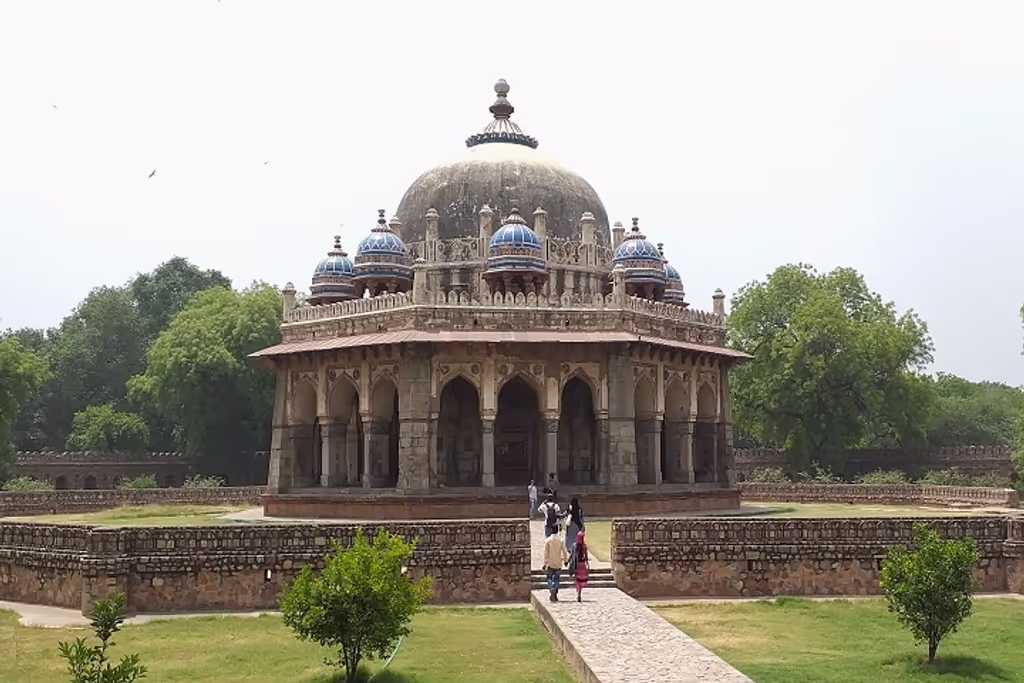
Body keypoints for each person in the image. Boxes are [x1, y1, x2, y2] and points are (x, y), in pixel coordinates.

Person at [543, 527, 569, 602]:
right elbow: (564, 551)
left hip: (550, 562)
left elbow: (546, 553)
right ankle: (554, 591)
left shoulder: (548, 540)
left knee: (549, 578)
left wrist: (545, 563)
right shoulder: (560, 540)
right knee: (557, 578)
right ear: (557, 531)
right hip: (558, 562)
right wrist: (565, 560)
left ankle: (552, 588)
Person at [572, 529, 590, 602]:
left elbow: (572, 555)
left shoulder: (575, 546)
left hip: (577, 565)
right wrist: (587, 565)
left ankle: (578, 593)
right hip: (582, 565)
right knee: (581, 580)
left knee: (577, 580)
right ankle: (579, 592)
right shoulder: (584, 546)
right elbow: (586, 557)